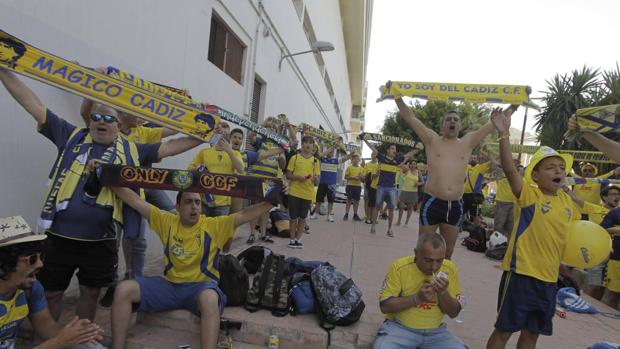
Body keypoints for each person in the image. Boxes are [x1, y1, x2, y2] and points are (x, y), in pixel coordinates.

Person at [0, 69, 203, 322]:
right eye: (96, 116)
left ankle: (81, 339)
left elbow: (172, 147)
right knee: (51, 293)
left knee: (91, 293)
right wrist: (4, 69)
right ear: (90, 121)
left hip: (101, 240)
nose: (101, 121)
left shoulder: (133, 149)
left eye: (108, 118)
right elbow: (32, 103)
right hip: (58, 237)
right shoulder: (70, 135)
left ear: (119, 126)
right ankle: (48, 341)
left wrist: (205, 132)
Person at [108, 187, 276, 349]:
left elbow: (244, 214)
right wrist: (108, 177)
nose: (194, 207)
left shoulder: (213, 225)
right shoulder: (166, 220)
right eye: (188, 202)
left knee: (210, 299)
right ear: (178, 207)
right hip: (170, 286)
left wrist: (273, 200)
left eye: (197, 202)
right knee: (123, 289)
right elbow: (135, 200)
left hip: (200, 287)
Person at [486, 109, 579, 349]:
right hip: (521, 275)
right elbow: (509, 169)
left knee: (532, 334)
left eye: (561, 167)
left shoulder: (567, 202)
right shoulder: (530, 195)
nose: (558, 171)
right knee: (504, 330)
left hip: (549, 280)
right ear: (535, 176)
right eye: (550, 167)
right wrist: (504, 134)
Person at [396, 98, 517, 259]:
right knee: (424, 249)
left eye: (456, 119)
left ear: (459, 125)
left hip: (455, 205)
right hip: (432, 202)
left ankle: (442, 282)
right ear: (442, 125)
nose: (452, 121)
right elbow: (410, 117)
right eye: (448, 119)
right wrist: (397, 97)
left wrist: (515, 104)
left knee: (448, 252)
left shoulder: (468, 142)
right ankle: (420, 282)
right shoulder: (431, 139)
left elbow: (493, 124)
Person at [0, 216, 104, 349]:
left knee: (90, 346)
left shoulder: (31, 288)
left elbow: (47, 326)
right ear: (3, 263)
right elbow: (56, 342)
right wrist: (58, 342)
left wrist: (78, 333)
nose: (40, 264)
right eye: (32, 259)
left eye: (41, 256)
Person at [373, 232, 465, 349]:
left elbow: (453, 313)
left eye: (439, 260)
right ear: (416, 253)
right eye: (428, 260)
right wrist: (417, 298)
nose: (434, 267)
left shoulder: (450, 269)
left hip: (436, 332)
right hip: (400, 328)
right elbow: (385, 306)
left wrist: (443, 293)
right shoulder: (399, 267)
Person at [567, 185, 620, 301]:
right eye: (613, 194)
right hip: (599, 252)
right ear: (604, 197)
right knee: (594, 284)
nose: (617, 197)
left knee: (606, 289)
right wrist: (565, 188)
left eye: (618, 194)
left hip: (616, 254)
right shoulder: (593, 208)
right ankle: (583, 304)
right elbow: (575, 198)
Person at [362, 139, 413, 237]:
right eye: (393, 148)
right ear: (388, 150)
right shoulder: (381, 157)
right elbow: (373, 148)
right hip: (381, 187)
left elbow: (408, 155)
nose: (395, 150)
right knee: (377, 206)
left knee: (391, 209)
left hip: (391, 188)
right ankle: (373, 226)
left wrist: (418, 147)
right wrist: (364, 139)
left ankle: (389, 230)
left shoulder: (397, 160)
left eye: (395, 149)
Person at [188, 131, 244, 217]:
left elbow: (241, 169)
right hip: (204, 201)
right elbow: (190, 169)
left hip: (223, 204)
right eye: (219, 135)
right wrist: (199, 169)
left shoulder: (235, 153)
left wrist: (230, 152)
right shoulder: (204, 152)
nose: (222, 139)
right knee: (201, 229)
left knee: (219, 230)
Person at [286, 135, 320, 249]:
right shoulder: (294, 158)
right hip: (294, 192)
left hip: (307, 194)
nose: (308, 145)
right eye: (306, 142)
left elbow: (317, 181)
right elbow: (288, 175)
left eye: (311, 143)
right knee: (293, 218)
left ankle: (298, 239)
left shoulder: (316, 161)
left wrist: (315, 179)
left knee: (302, 218)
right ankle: (291, 239)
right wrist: (298, 177)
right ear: (302, 144)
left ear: (313, 146)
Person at [313, 145, 353, 222]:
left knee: (330, 201)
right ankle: (316, 214)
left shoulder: (335, 161)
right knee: (318, 200)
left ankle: (329, 216)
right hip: (322, 183)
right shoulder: (322, 159)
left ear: (333, 153)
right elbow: (317, 154)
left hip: (332, 184)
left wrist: (351, 154)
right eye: (328, 152)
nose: (329, 153)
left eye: (331, 152)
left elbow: (345, 159)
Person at [598, 206, 620, 310]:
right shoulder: (616, 212)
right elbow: (601, 229)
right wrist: (616, 230)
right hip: (616, 259)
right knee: (613, 294)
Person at [493, 159, 521, 238]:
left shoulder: (518, 175)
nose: (515, 165)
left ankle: (507, 247)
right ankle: (495, 246)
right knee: (499, 226)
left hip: (514, 203)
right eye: (514, 163)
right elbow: (495, 163)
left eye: (516, 164)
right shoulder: (500, 173)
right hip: (502, 203)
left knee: (510, 228)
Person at [397, 161, 422, 227]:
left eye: (414, 164)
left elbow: (422, 182)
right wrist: (406, 160)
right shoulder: (407, 170)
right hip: (405, 190)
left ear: (416, 165)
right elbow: (399, 166)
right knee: (401, 206)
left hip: (413, 192)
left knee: (410, 208)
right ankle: (399, 221)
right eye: (412, 164)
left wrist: (418, 184)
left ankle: (406, 223)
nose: (413, 165)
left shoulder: (418, 172)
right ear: (410, 165)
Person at [343, 154, 365, 221]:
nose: (356, 160)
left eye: (357, 159)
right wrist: (353, 177)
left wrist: (361, 177)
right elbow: (345, 177)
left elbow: (363, 180)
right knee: (349, 200)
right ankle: (346, 214)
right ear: (352, 160)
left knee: (356, 201)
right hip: (350, 186)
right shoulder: (349, 167)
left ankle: (355, 215)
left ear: (359, 160)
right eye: (354, 159)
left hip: (358, 186)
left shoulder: (361, 168)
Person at [363, 154, 379, 224]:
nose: (374, 156)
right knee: (367, 200)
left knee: (375, 202)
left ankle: (373, 217)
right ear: (371, 156)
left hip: (376, 186)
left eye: (375, 154)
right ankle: (367, 216)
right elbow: (364, 175)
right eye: (373, 154)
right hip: (368, 185)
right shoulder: (367, 165)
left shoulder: (379, 165)